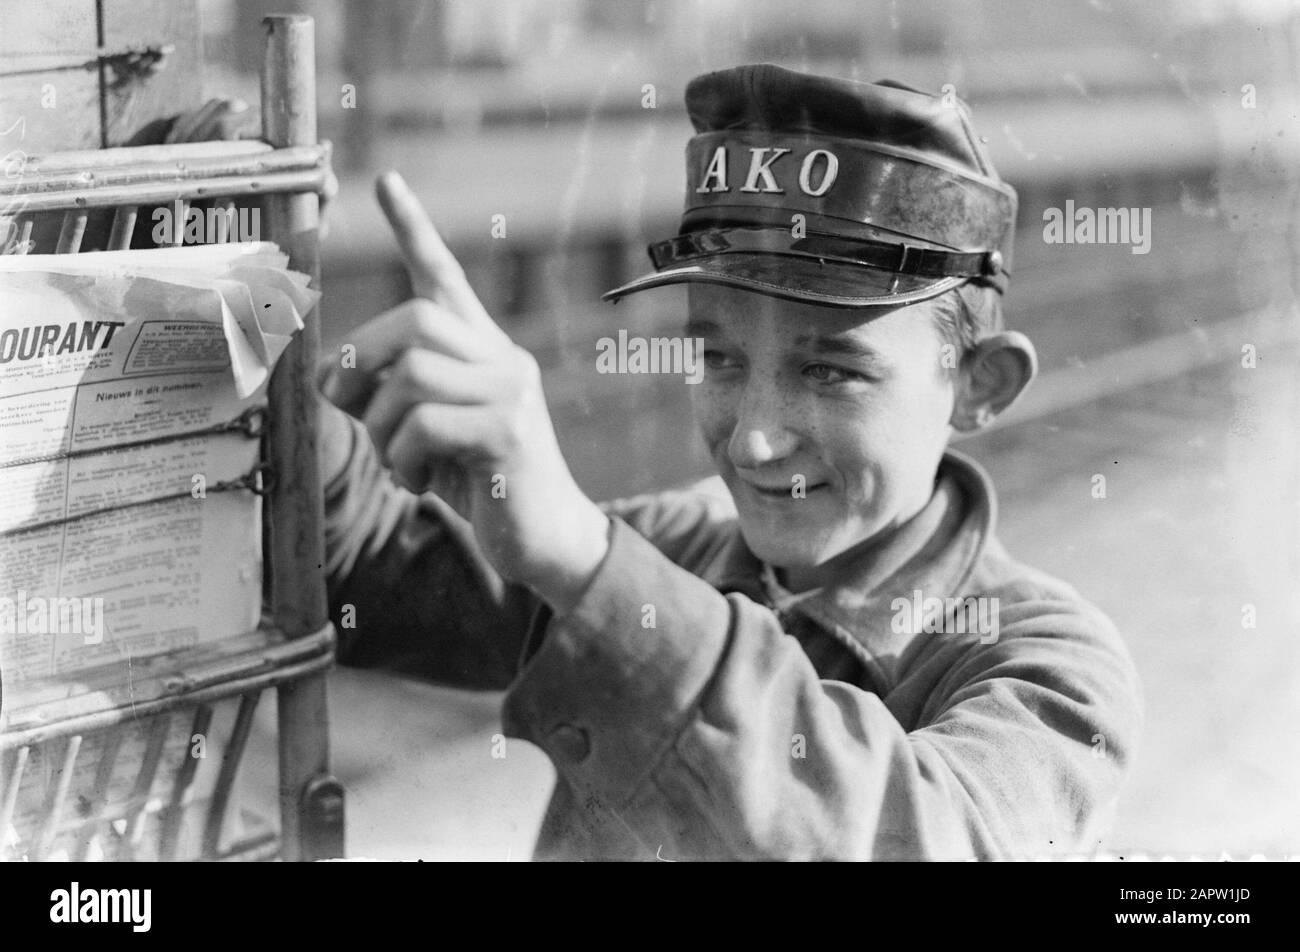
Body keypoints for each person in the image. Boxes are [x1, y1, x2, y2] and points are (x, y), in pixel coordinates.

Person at [316, 63, 1143, 861]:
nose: (752, 441)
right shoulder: (683, 551)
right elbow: (371, 568)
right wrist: (259, 324)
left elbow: (919, 840)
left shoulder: (1051, 670)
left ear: (976, 384)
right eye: (718, 360)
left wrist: (586, 561)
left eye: (830, 371)